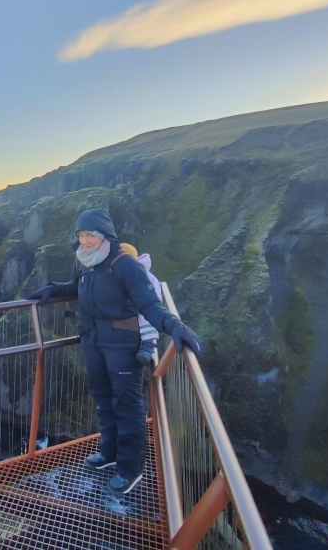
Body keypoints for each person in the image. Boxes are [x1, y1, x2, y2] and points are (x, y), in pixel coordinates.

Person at [27, 208, 201, 495]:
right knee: (103, 399)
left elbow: (149, 304)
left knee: (127, 405)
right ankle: (108, 454)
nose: (84, 241)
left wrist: (174, 325)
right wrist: (53, 289)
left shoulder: (125, 265)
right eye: (81, 235)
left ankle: (130, 469)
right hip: (92, 339)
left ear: (105, 236)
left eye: (90, 236)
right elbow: (75, 286)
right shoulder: (83, 261)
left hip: (122, 343)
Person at [119, 243, 161, 367]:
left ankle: (149, 348)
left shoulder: (143, 275)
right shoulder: (128, 272)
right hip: (134, 310)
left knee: (147, 320)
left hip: (146, 307)